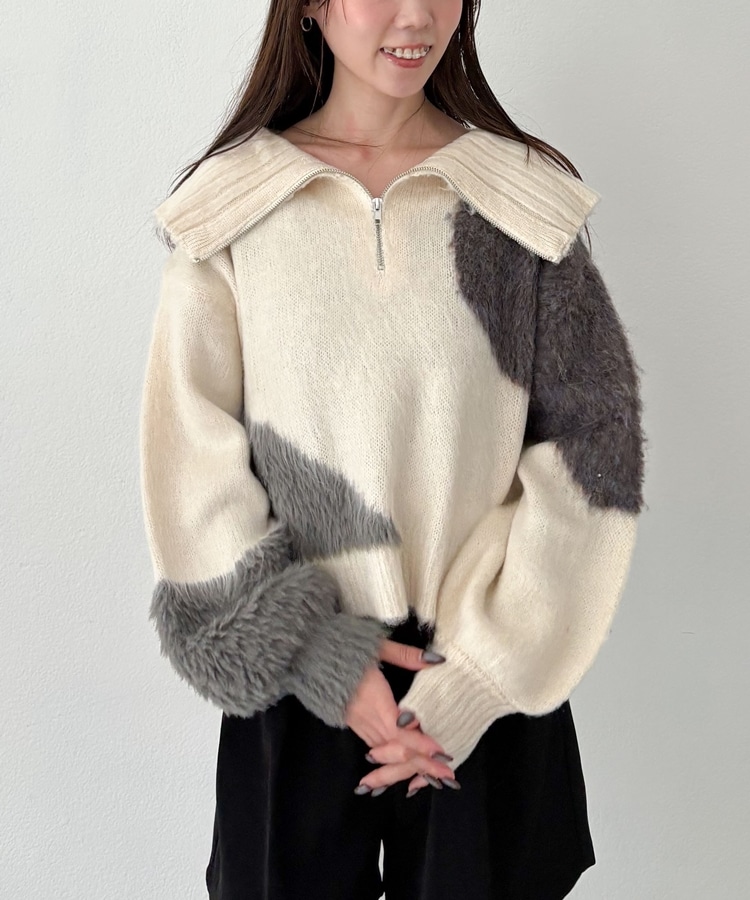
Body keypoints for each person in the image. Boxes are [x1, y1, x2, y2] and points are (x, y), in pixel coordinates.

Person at [138, 1, 646, 898]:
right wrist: (324, 659)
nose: (416, 16)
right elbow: (192, 469)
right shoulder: (235, 210)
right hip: (296, 678)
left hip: (484, 677)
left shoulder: (517, 204)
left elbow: (591, 460)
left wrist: (474, 684)